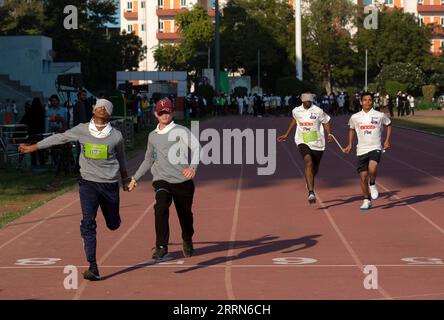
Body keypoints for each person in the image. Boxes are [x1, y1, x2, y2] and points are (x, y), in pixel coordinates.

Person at [19, 99, 130, 281]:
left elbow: (122, 158)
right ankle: (92, 266)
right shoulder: (81, 129)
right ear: (93, 110)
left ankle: (114, 220)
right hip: (88, 183)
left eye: (106, 107)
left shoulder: (116, 136)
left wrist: (125, 178)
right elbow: (59, 138)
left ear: (109, 114)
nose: (101, 108)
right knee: (88, 222)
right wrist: (34, 147)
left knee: (113, 224)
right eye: (98, 106)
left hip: (109, 184)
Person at [127, 98, 200, 260]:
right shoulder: (152, 136)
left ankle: (187, 238)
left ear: (172, 112)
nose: (164, 115)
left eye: (167, 111)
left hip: (182, 181)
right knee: (160, 208)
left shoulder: (181, 131)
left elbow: (196, 148)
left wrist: (192, 167)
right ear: (156, 114)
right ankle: (161, 246)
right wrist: (135, 178)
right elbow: (148, 159)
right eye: (161, 112)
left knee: (185, 216)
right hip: (162, 180)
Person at [277, 93, 333, 204]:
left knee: (314, 168)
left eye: (309, 99)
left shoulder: (318, 111)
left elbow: (326, 121)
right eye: (306, 99)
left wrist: (329, 134)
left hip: (317, 142)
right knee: (308, 161)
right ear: (302, 100)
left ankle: (309, 181)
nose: (308, 101)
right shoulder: (296, 111)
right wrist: (287, 134)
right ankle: (311, 192)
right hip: (302, 139)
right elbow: (294, 120)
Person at [344, 92, 392, 211]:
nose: (367, 102)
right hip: (361, 149)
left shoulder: (380, 115)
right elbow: (351, 130)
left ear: (373, 101)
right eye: (364, 100)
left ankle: (373, 183)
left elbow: (389, 124)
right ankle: (366, 200)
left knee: (373, 168)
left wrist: (387, 141)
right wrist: (350, 144)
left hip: (375, 147)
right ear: (360, 102)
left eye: (369, 100)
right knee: (363, 177)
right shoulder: (355, 117)